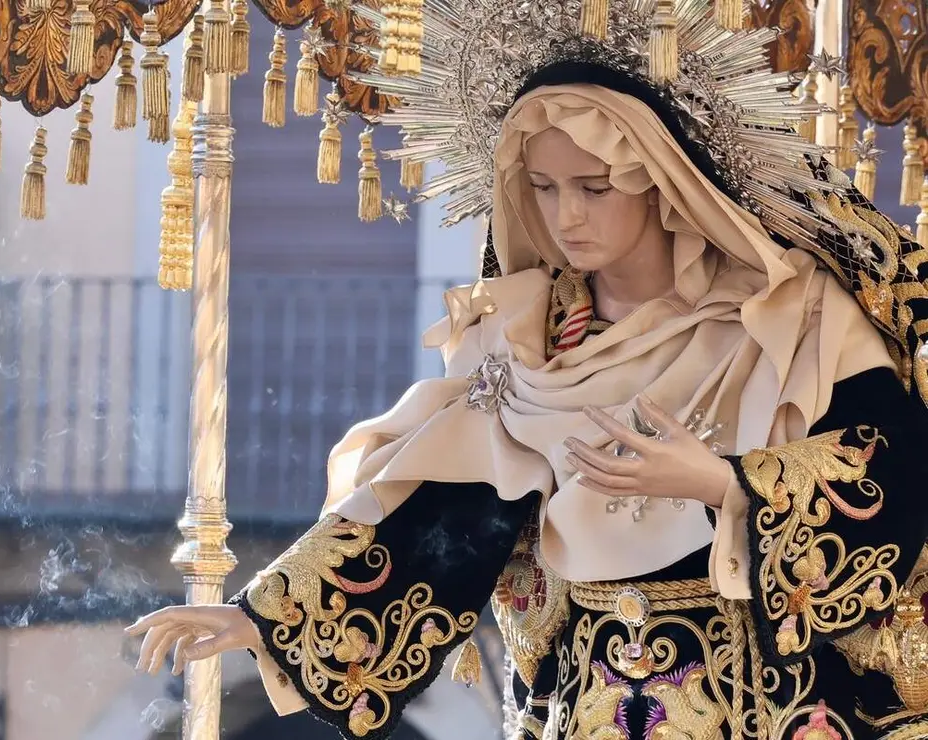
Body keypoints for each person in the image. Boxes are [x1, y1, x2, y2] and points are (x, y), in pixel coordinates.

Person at [126, 1, 928, 738]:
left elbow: (893, 467)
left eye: (594, 186)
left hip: (758, 701)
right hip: (585, 704)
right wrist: (270, 621)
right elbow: (439, 520)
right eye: (542, 188)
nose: (565, 216)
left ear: (662, 184)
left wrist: (723, 484)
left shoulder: (789, 318)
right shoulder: (523, 347)